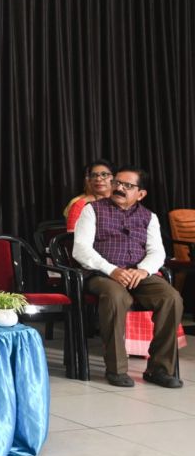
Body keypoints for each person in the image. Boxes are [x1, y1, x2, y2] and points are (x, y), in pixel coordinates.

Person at [73, 166, 183, 388]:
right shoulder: (92, 210)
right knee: (116, 296)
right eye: (117, 183)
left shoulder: (149, 217)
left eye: (127, 185)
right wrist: (111, 270)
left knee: (171, 298)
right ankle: (116, 369)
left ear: (140, 194)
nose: (119, 188)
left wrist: (142, 270)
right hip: (102, 274)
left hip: (137, 274)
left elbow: (157, 252)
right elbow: (81, 249)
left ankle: (159, 370)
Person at [65, 159, 115, 230]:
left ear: (115, 178)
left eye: (104, 174)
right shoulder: (79, 205)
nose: (98, 179)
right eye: (94, 175)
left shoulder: (122, 201)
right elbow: (72, 233)